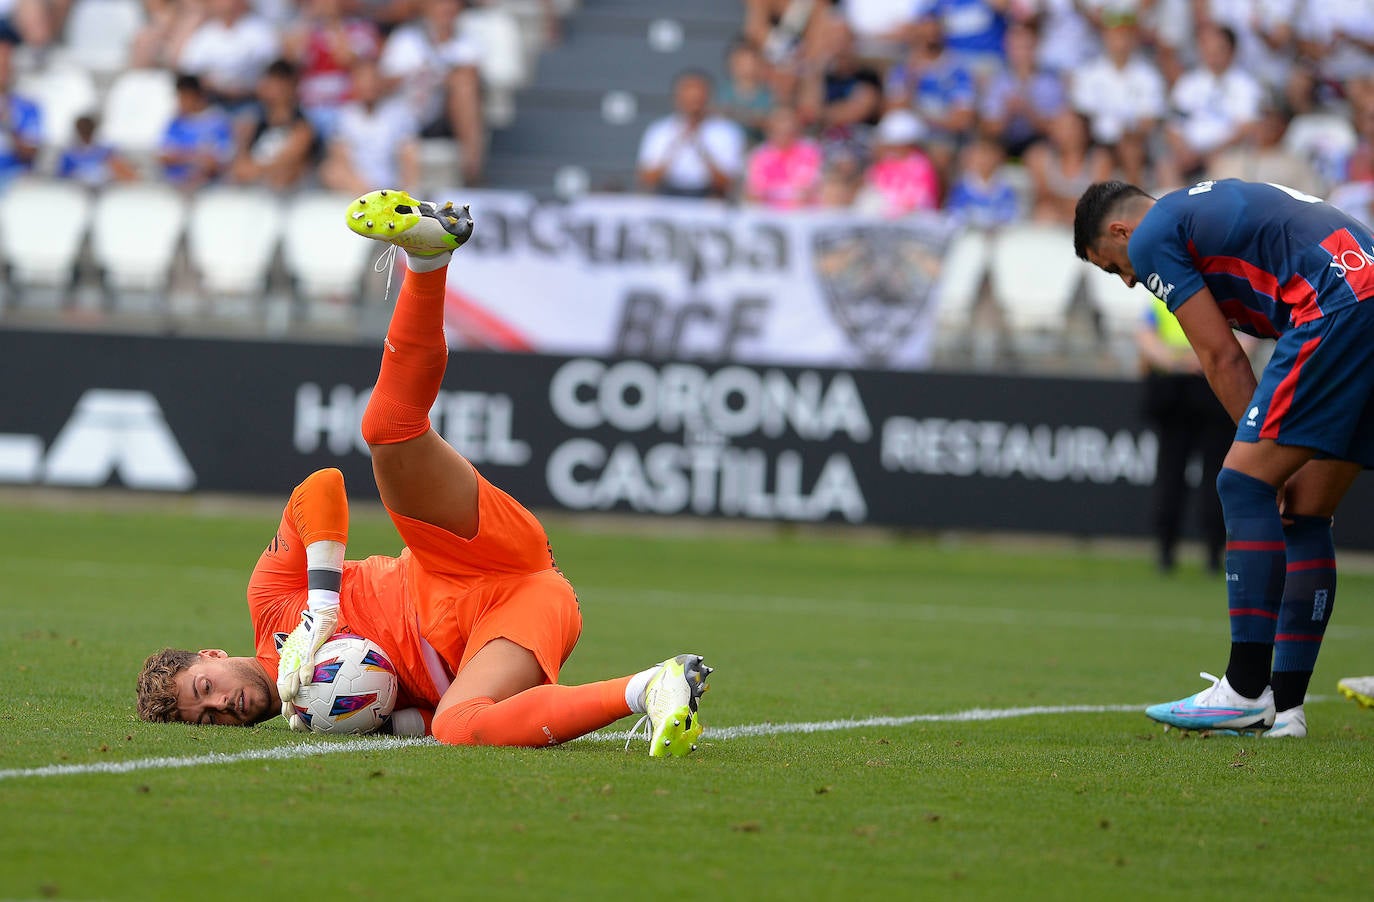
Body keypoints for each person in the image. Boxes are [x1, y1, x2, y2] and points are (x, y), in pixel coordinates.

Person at [135, 189, 713, 756]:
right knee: (459, 727)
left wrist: (322, 605)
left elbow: (321, 487)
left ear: (211, 656)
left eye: (205, 689)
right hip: (518, 614)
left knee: (387, 429)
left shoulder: (269, 602)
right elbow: (423, 714)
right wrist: (390, 722)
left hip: (457, 557)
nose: (222, 706)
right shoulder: (310, 715)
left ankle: (428, 257)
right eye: (207, 719)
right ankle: (653, 688)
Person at [1073, 177, 1374, 739]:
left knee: (1242, 483)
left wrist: (1259, 454)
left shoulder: (1153, 233)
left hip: (1337, 304)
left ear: (1120, 231)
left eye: (1113, 267)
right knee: (1305, 514)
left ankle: (1243, 689)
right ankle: (1287, 710)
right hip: (1363, 292)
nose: (1131, 279)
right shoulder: (1200, 211)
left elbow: (1220, 357)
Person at [1135, 296, 1232, 575]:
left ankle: (1205, 551)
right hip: (1195, 389)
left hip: (1198, 389)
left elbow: (1146, 339)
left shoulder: (1163, 290)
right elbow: (1145, 338)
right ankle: (1175, 551)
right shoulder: (1220, 290)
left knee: (1205, 476)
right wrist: (1196, 360)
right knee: (1180, 474)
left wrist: (1177, 361)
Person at [637, 69, 745, 199]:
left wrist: (700, 145)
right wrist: (676, 144)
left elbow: (727, 183)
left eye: (698, 98)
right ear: (677, 97)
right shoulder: (660, 130)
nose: (693, 104)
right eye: (688, 97)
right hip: (668, 195)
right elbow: (647, 179)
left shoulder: (727, 132)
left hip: (708, 197)